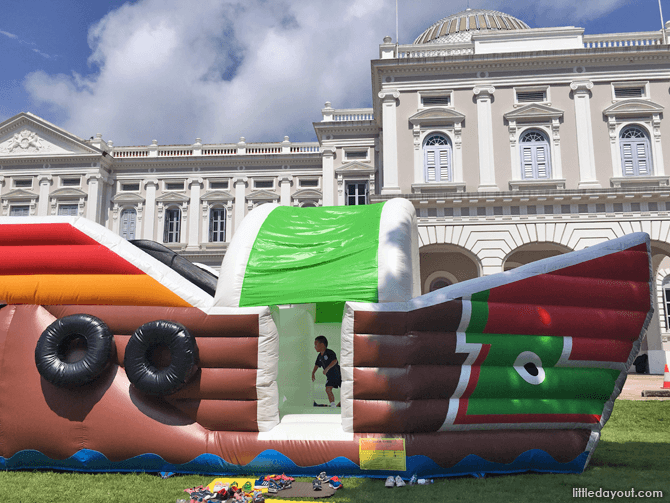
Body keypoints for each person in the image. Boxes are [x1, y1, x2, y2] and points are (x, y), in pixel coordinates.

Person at [312, 336, 341, 407]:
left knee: (345, 390)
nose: (314, 347)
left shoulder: (329, 352)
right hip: (330, 376)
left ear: (322, 345)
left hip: (338, 374)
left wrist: (327, 369)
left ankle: (341, 404)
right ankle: (333, 405)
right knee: (328, 389)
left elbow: (335, 361)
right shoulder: (319, 356)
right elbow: (316, 365)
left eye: (316, 345)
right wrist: (313, 373)